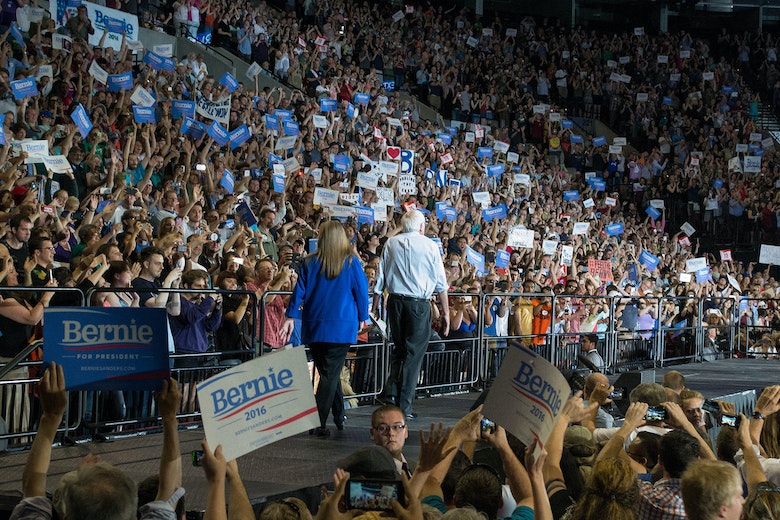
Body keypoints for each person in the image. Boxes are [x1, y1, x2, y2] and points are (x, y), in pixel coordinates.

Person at [280, 221, 369, 437]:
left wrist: (291, 315)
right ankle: (318, 422)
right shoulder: (351, 262)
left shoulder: (309, 262)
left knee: (330, 372)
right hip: (342, 325)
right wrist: (363, 317)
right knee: (330, 374)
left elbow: (298, 291)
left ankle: (339, 417)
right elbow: (362, 291)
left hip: (315, 324)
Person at [373, 210, 450, 419]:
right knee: (413, 356)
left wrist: (375, 307)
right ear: (421, 227)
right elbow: (441, 284)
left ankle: (391, 394)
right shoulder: (430, 246)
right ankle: (403, 406)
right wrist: (446, 313)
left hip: (395, 302)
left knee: (399, 350)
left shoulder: (390, 243)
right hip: (418, 305)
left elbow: (380, 278)